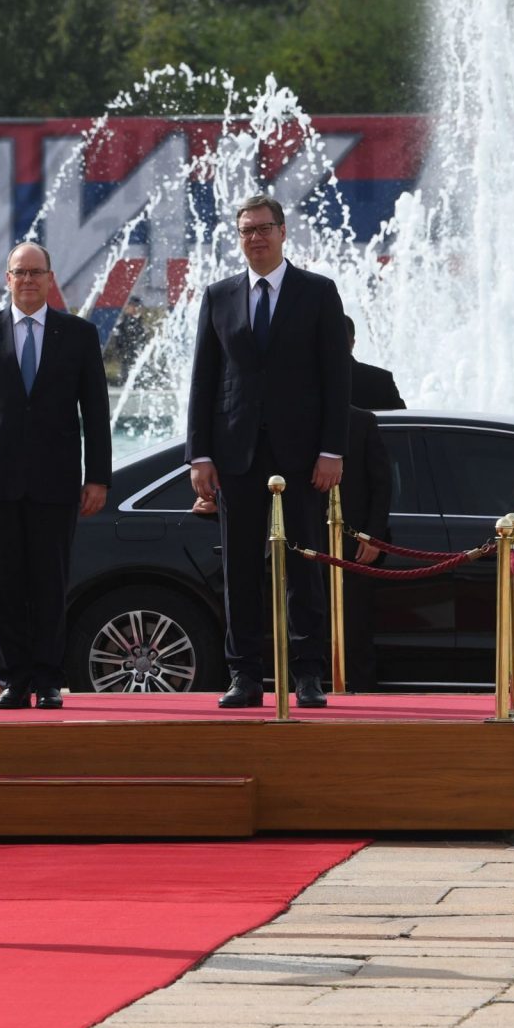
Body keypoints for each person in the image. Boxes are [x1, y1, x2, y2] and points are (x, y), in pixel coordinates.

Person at [187, 194, 351, 708]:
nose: (255, 237)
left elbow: (335, 379)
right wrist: (200, 456)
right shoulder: (219, 296)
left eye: (263, 228)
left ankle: (307, 675)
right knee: (240, 568)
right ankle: (245, 675)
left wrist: (332, 449)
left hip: (302, 456)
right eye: (246, 230)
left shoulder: (318, 293)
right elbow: (204, 381)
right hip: (235, 454)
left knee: (303, 565)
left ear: (283, 232)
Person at [0, 243, 112, 707]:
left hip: (57, 481)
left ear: (50, 278)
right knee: (4, 585)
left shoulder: (78, 335)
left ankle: (48, 677)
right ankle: (15, 679)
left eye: (35, 273)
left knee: (49, 581)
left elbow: (96, 412)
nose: (27, 281)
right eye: (19, 273)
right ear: (7, 279)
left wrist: (98, 475)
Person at [341, 323, 400, 691]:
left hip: (360, 530)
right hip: (337, 532)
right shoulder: (377, 381)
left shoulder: (362, 416)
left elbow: (386, 468)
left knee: (355, 629)